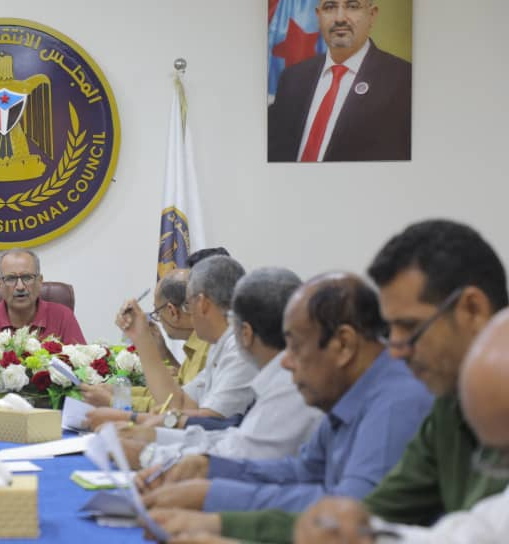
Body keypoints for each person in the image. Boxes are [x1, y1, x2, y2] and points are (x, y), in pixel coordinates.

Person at [156, 220, 509, 543]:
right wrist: (218, 507)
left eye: (410, 327)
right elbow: (355, 517)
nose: (396, 350)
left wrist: (217, 512)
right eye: (391, 329)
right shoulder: (445, 404)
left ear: (472, 310)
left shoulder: (404, 397)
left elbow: (353, 517)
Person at [137, 273, 433, 518]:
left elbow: (348, 513)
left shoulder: (395, 402)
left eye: (295, 346)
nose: (286, 362)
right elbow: (303, 469)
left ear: (343, 345)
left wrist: (214, 500)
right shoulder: (347, 392)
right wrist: (209, 467)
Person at [294, 307, 509, 544]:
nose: (396, 348)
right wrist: (367, 536)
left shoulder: (399, 401)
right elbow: (474, 535)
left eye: (409, 325)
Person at [133, 268, 323, 468]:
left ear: (245, 333)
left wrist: (149, 452)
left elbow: (240, 456)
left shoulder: (288, 384)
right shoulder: (224, 349)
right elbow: (230, 433)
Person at [88, 256, 255, 428]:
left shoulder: (241, 349)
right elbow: (179, 403)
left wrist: (132, 417)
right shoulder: (220, 345)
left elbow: (210, 423)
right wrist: (141, 337)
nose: (188, 313)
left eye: (188, 304)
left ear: (202, 304)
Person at [268, 0, 411, 162]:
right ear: (318, 16)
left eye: (352, 6)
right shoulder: (292, 78)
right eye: (330, 7)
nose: (340, 18)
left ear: (372, 15)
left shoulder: (404, 80)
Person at [0, 248, 86, 343]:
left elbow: (82, 363)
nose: (20, 287)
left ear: (40, 281)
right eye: (11, 279)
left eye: (27, 277)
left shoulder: (63, 316)